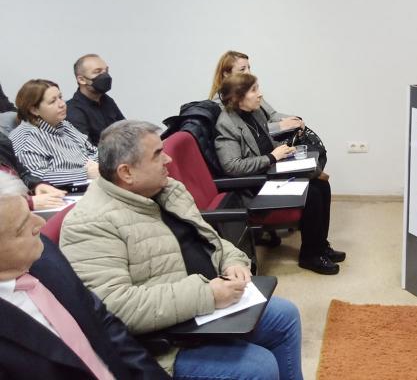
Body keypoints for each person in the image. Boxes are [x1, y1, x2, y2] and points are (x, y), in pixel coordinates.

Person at [60, 120, 304, 379]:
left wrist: (233, 261)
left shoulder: (168, 189)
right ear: (126, 172)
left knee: (285, 316)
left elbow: (211, 239)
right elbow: (115, 307)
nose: (168, 160)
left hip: (207, 308)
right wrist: (207, 295)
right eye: (158, 155)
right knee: (259, 367)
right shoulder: (89, 223)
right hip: (165, 341)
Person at [0, 191, 170, 379]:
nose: (41, 223)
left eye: (29, 213)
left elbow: (103, 324)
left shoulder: (44, 253)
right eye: (22, 227)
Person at [215, 73, 344, 275]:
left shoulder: (256, 113)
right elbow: (232, 166)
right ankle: (310, 256)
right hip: (256, 187)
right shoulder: (226, 124)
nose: (260, 94)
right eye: (254, 90)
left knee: (322, 185)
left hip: (272, 172)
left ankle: (320, 245)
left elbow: (266, 143)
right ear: (238, 98)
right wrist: (271, 157)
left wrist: (287, 149)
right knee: (312, 193)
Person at [10, 79, 100, 186]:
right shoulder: (26, 138)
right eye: (53, 101)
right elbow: (36, 178)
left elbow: (92, 151)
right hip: (65, 191)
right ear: (34, 110)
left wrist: (101, 166)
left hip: (93, 180)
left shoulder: (63, 124)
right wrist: (85, 173)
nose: (62, 104)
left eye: (60, 97)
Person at [209, 50, 305, 136]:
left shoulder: (252, 91)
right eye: (242, 69)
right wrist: (280, 125)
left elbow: (272, 115)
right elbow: (247, 131)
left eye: (249, 68)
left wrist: (295, 120)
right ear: (226, 74)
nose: (248, 73)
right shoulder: (219, 103)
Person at [66, 54, 125, 146]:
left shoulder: (107, 100)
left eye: (106, 71)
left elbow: (126, 131)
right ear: (81, 80)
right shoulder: (73, 110)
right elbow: (87, 150)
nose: (105, 76)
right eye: (97, 72)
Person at [0, 133, 66, 210]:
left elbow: (23, 173)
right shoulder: (26, 135)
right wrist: (26, 203)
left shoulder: (2, 140)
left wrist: (37, 185)